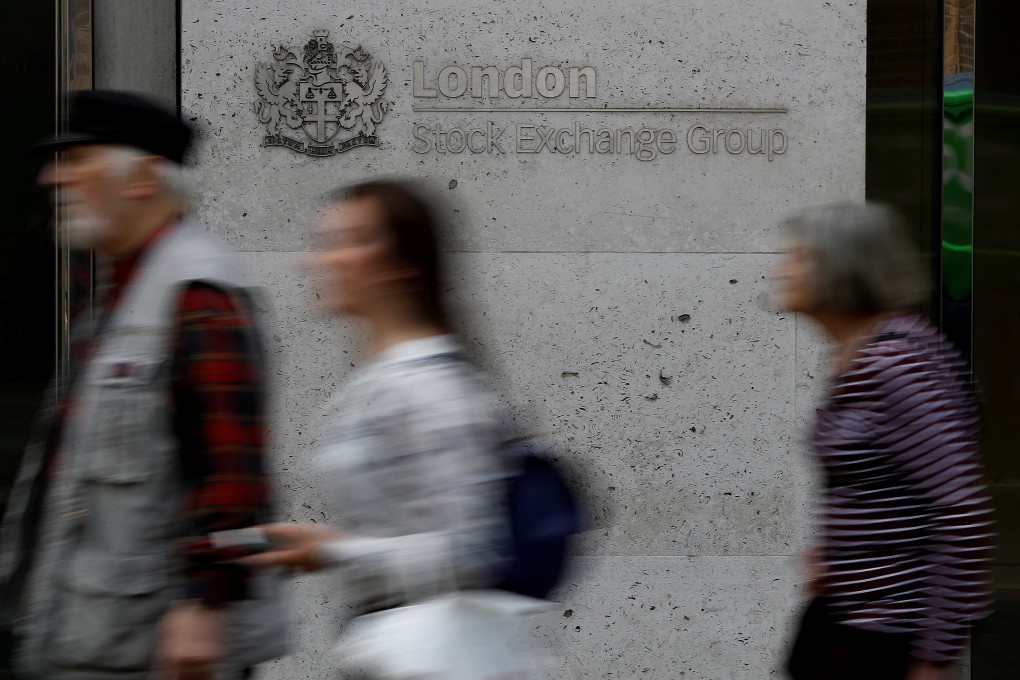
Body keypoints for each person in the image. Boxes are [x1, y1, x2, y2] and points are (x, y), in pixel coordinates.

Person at [0, 91, 286, 680]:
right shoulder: (120, 294)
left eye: (78, 159)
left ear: (144, 177)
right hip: (93, 638)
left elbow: (231, 473)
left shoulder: (198, 295)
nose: (53, 177)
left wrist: (203, 603)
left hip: (156, 651)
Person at [241, 180, 508, 632]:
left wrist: (331, 549)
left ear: (400, 264)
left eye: (347, 243)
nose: (314, 260)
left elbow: (473, 550)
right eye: (322, 244)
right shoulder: (380, 379)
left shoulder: (431, 386)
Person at [773, 202, 995, 680]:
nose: (782, 270)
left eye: (799, 257)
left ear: (842, 268)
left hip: (890, 632)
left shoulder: (895, 366)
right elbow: (887, 482)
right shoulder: (859, 355)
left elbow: (962, 513)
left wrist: (932, 659)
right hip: (849, 614)